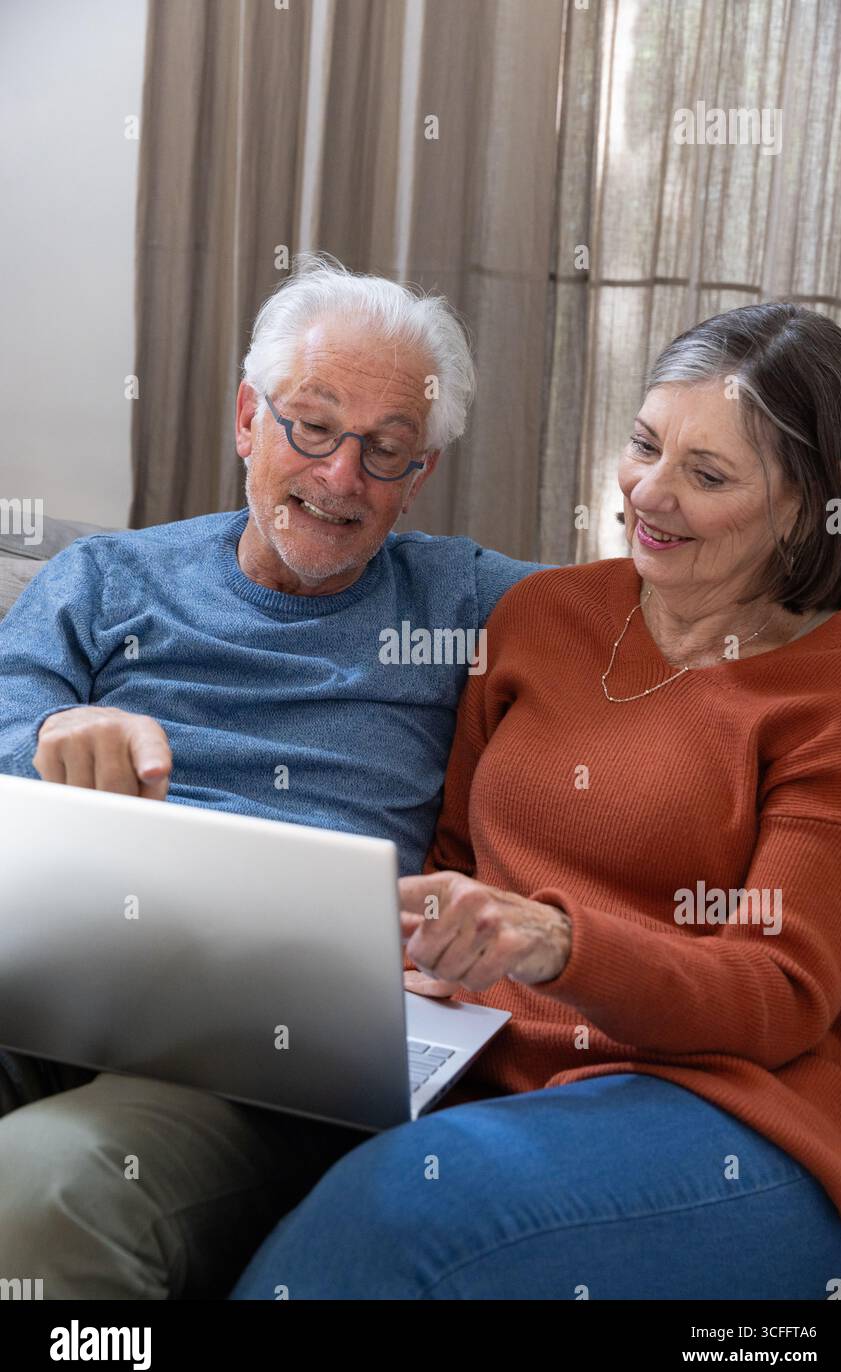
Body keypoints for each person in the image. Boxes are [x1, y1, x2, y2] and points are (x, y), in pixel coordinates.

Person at [231, 302, 841, 1300]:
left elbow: (781, 993)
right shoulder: (543, 616)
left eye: (708, 475)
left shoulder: (840, 697)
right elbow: (456, 858)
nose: (648, 494)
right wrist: (423, 949)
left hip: (730, 1109)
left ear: (805, 505)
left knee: (394, 1214)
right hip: (487, 1066)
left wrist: (559, 945)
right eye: (646, 445)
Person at [0, 254, 539, 1298]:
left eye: (387, 452)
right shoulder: (103, 581)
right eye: (312, 425)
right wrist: (60, 729)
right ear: (249, 418)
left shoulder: (467, 601)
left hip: (265, 1056)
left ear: (419, 475)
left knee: (45, 1187)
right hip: (47, 978)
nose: (342, 478)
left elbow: (664, 623)